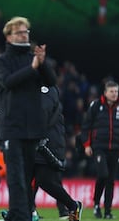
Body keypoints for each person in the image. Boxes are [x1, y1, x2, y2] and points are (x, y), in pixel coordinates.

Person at [0, 16, 57, 221]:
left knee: (28, 177)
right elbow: (9, 82)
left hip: (33, 128)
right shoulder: (1, 61)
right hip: (12, 127)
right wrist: (32, 67)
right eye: (20, 32)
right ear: (9, 36)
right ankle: (21, 216)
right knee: (15, 176)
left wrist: (42, 63)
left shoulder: (34, 58)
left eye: (26, 32)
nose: (24, 35)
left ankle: (20, 214)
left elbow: (51, 81)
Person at [30, 86, 82, 221]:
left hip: (49, 143)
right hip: (39, 142)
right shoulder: (34, 88)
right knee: (27, 178)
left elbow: (43, 114)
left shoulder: (46, 89)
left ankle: (72, 205)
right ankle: (27, 212)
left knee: (45, 181)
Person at [81, 80, 119, 219]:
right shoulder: (96, 105)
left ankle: (108, 211)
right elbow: (86, 126)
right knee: (103, 175)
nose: (114, 94)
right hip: (99, 147)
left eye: (116, 91)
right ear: (105, 93)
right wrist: (87, 145)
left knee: (111, 180)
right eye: (112, 91)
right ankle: (97, 204)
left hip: (116, 148)